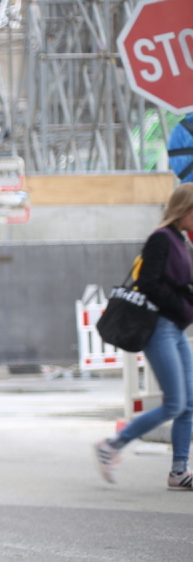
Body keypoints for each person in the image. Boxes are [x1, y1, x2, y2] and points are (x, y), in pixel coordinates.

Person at [95, 183, 193, 488]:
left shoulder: (181, 240)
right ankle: (111, 445)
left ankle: (178, 471)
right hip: (159, 328)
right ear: (184, 209)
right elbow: (147, 281)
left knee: (189, 404)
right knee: (175, 403)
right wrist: (180, 305)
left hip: (175, 328)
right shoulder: (161, 239)